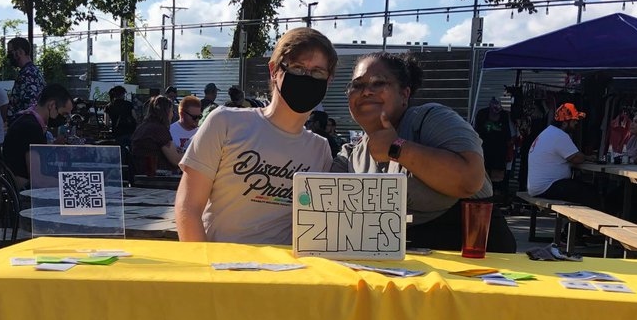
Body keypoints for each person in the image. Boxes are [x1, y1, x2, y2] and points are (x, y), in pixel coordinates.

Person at [336, 52, 511, 252]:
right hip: (403, 264)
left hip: (474, 260)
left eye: (378, 83)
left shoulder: (431, 119)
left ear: (404, 94)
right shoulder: (350, 155)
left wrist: (396, 148)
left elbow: (470, 180)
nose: (366, 91)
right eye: (357, 85)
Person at [176, 27, 335, 244]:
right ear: (274, 70)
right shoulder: (225, 123)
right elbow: (188, 207)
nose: (307, 77)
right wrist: (205, 270)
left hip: (285, 273)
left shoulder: (320, 150)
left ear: (329, 80)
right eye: (297, 68)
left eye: (317, 72)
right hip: (221, 268)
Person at [526, 103, 597, 206]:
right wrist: (588, 157)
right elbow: (577, 158)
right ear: (564, 123)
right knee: (591, 193)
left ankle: (576, 222)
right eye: (574, 121)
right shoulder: (560, 135)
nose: (576, 123)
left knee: (580, 189)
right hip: (547, 187)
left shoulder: (548, 132)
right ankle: (591, 221)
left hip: (537, 187)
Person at [2, 83, 72, 185]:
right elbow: (37, 180)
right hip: (22, 191)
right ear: (52, 105)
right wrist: (71, 183)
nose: (64, 119)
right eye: (64, 114)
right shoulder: (31, 128)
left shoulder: (27, 120)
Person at [130, 96, 179, 174]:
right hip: (158, 178)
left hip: (140, 176)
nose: (173, 115)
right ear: (166, 112)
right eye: (172, 111)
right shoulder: (159, 129)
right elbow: (176, 160)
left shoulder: (141, 128)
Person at [6, 37, 45, 123]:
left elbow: (30, 107)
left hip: (25, 129)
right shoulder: (32, 71)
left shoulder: (28, 74)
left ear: (20, 52)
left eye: (10, 52)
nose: (8, 56)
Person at [474, 97, 512, 184]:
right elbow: (476, 131)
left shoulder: (504, 115)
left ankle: (497, 192)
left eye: (498, 106)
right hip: (484, 150)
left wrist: (509, 149)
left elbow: (508, 134)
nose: (496, 109)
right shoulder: (482, 113)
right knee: (483, 176)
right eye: (494, 106)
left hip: (499, 152)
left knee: (497, 178)